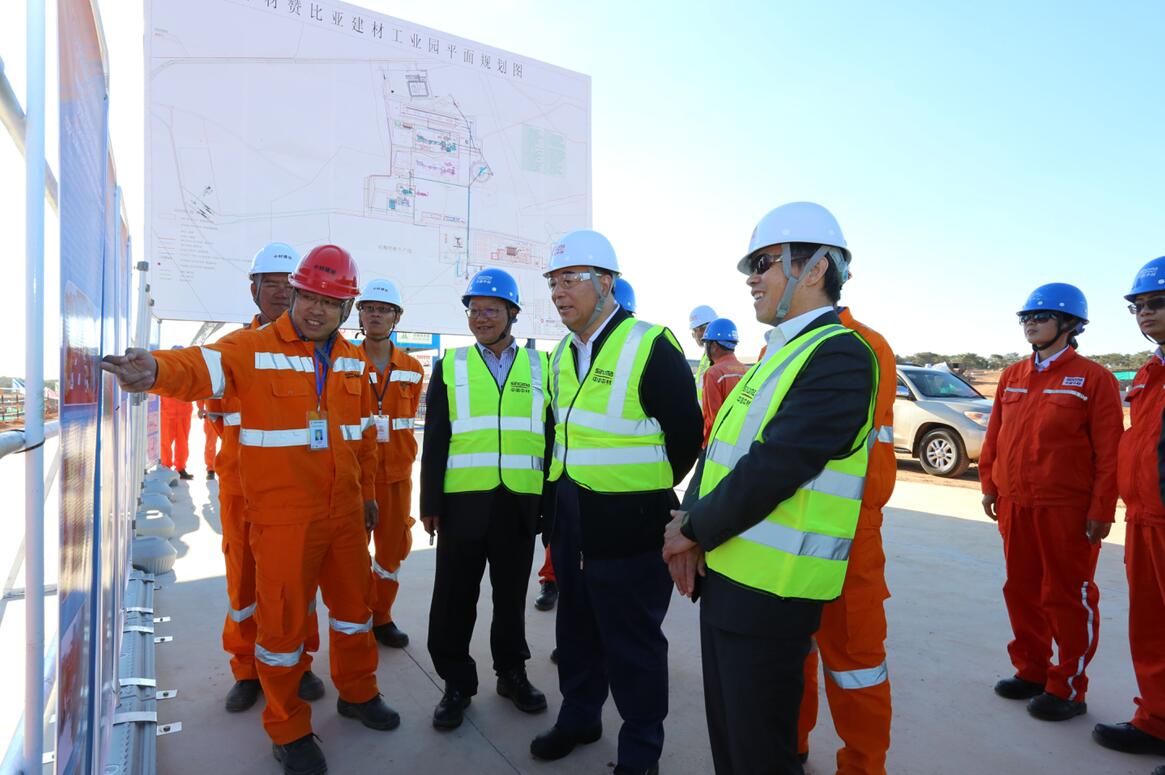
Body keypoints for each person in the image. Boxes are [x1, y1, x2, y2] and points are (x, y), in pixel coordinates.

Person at [102, 245, 398, 775]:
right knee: (281, 628)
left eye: (331, 302)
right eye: (309, 297)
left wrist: (370, 494)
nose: (317, 310)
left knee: (356, 613)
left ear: (346, 309)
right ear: (295, 294)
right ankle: (289, 728)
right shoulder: (251, 348)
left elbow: (364, 439)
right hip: (284, 519)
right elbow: (198, 366)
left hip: (346, 515)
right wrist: (155, 370)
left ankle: (358, 692)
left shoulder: (353, 361)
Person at [663, 201, 877, 775]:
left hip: (772, 596)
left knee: (759, 754)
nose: (751, 278)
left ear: (815, 269)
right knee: (731, 746)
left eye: (763, 263)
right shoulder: (775, 355)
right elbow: (719, 451)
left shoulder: (840, 355)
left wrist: (692, 529)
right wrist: (687, 520)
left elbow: (776, 465)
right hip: (727, 578)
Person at [531, 230, 703, 775]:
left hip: (631, 523)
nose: (558, 292)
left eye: (570, 279)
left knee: (632, 644)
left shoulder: (650, 345)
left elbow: (686, 435)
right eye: (553, 282)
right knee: (575, 629)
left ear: (606, 282)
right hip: (572, 516)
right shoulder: (561, 354)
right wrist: (553, 509)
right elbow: (558, 434)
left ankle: (640, 753)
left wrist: (642, 494)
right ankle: (580, 717)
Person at [978, 283, 1122, 723]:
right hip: (1016, 503)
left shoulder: (1093, 379)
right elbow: (995, 436)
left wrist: (1101, 508)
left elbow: (1109, 451)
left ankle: (1068, 687)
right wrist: (990, 484)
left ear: (1070, 324)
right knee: (1020, 590)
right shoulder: (1012, 376)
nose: (1031, 323)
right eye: (1026, 317)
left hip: (1066, 508)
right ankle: (1032, 670)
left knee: (1066, 596)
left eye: (1041, 316)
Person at [421, 268, 553, 730]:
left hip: (519, 503)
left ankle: (511, 673)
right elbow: (435, 438)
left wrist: (548, 502)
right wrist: (430, 503)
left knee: (511, 597)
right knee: (454, 598)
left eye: (491, 310)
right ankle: (456, 683)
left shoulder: (542, 367)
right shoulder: (451, 365)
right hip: (462, 503)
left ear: (512, 313)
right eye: (474, 310)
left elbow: (552, 437)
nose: (481, 318)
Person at [202, 242, 325, 713]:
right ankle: (246, 668)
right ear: (252, 289)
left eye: (287, 285)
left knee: (297, 583)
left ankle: (299, 662)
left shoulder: (317, 349)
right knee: (244, 582)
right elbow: (217, 417)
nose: (278, 293)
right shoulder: (234, 348)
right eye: (268, 284)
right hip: (240, 488)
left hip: (295, 490)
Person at [795, 301, 898, 773]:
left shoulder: (867, 346)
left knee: (856, 662)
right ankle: (790, 745)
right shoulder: (778, 348)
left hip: (849, 530)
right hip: (787, 529)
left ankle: (862, 766)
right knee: (791, 651)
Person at [533, 277, 642, 617]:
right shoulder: (562, 356)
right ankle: (551, 581)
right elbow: (553, 426)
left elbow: (680, 434)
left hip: (621, 503)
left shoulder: (641, 350)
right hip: (568, 492)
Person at [1093, 256, 1165, 763]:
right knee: (1151, 628)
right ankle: (1156, 721)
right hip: (1144, 519)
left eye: (1157, 303)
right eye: (1138, 306)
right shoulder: (1149, 372)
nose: (1145, 313)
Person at [355, 278, 424, 650]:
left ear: (396, 317)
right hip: (353, 477)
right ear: (360, 314)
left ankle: (381, 616)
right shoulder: (344, 362)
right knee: (351, 553)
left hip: (397, 475)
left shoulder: (413, 368)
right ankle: (355, 616)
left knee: (392, 550)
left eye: (384, 310)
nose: (376, 315)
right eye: (369, 308)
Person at [698, 318, 748, 447]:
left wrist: (707, 447)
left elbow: (713, 419)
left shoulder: (714, 373)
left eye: (706, 343)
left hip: (719, 443)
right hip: (741, 441)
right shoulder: (747, 371)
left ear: (714, 345)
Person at [160, 355, 194, 479]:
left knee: (183, 443)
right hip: (168, 415)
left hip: (184, 415)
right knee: (166, 442)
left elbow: (196, 391)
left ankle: (180, 468)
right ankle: (166, 467)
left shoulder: (189, 375)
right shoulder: (164, 374)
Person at [689, 304, 718, 405]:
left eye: (702, 328)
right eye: (695, 330)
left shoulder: (717, 356)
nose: (698, 335)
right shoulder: (706, 356)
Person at [197, 400, 219, 480]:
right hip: (211, 414)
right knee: (210, 444)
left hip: (228, 413)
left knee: (230, 443)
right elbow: (201, 393)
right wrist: (200, 408)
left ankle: (231, 467)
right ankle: (210, 469)